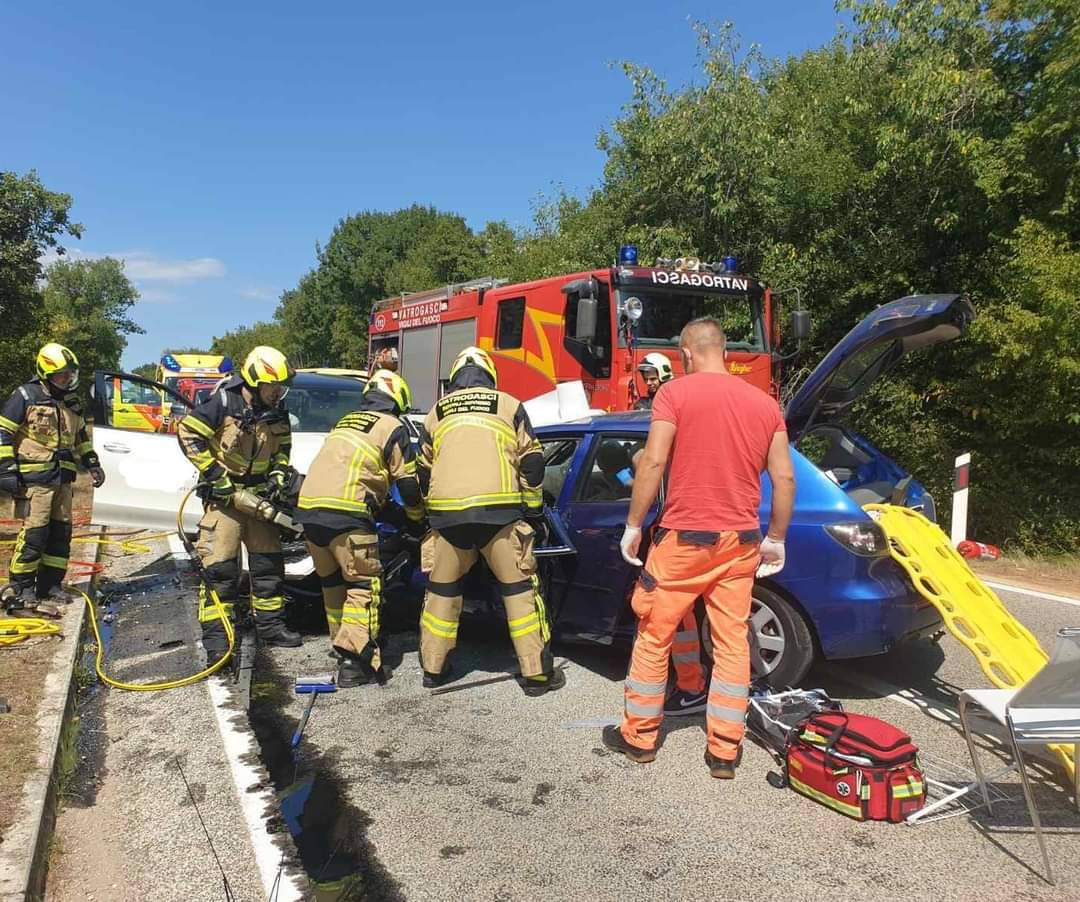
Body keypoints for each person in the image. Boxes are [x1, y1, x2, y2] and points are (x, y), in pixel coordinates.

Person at [602, 318, 795, 779]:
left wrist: (633, 525)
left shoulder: (674, 395)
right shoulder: (765, 403)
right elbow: (783, 476)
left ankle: (639, 738)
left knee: (654, 635)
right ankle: (724, 752)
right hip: (739, 544)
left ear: (686, 355)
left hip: (683, 541)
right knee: (732, 643)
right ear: (723, 351)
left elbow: (652, 460)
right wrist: (777, 538)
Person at [415, 346, 563, 696]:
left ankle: (434, 670)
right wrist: (533, 510)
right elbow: (533, 463)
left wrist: (425, 515)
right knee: (520, 592)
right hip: (500, 516)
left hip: (448, 520)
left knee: (441, 594)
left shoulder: (436, 412)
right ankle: (537, 675)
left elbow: (421, 470)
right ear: (489, 376)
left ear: (453, 379)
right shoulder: (509, 404)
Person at [295, 369, 425, 687]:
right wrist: (418, 518)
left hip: (310, 513)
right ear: (397, 401)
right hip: (349, 518)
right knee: (364, 585)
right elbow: (407, 485)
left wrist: (395, 516)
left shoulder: (346, 422)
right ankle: (354, 663)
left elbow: (363, 483)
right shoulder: (392, 427)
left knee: (333, 584)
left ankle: (342, 646)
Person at [177, 345, 302, 665]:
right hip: (226, 501)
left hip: (259, 499)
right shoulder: (223, 403)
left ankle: (271, 627)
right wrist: (215, 475)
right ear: (256, 383)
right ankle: (218, 641)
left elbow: (284, 448)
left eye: (281, 387)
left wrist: (277, 474)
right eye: (274, 387)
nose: (279, 393)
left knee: (268, 567)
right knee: (220, 572)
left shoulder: (278, 410)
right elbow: (188, 433)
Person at [0, 343, 105, 609]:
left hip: (63, 480)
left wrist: (92, 462)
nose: (67, 380)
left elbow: (80, 437)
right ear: (46, 373)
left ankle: (51, 585)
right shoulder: (25, 396)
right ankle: (21, 586)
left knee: (61, 534)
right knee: (35, 535)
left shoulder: (71, 402)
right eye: (61, 375)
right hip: (35, 481)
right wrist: (6, 469)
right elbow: (3, 433)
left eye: (70, 375)